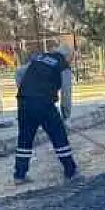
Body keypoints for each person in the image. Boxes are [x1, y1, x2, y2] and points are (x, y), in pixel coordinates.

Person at [12, 42, 78, 184]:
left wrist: (25, 89)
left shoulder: (40, 58)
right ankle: (70, 171)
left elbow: (19, 72)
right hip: (43, 103)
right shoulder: (63, 66)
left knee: (25, 138)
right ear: (69, 57)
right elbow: (66, 92)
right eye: (72, 59)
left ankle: (19, 175)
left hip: (24, 101)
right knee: (58, 135)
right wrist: (66, 116)